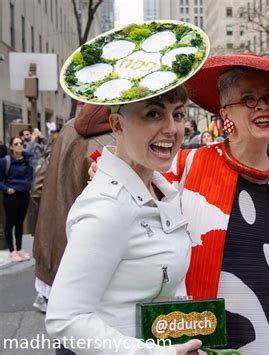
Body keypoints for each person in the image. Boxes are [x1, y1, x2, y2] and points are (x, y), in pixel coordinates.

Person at [171, 53, 269, 352]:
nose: (262, 106)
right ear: (225, 113)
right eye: (249, 98)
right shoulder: (184, 167)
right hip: (204, 342)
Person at [45, 87, 201, 355]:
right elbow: (66, 319)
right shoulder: (107, 207)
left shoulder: (159, 188)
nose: (171, 128)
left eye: (178, 114)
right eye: (153, 114)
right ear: (117, 124)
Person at [32, 104, 115, 313]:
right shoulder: (120, 141)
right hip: (92, 273)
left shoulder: (68, 130)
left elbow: (37, 188)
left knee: (67, 337)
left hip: (51, 261)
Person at [0, 137, 34, 262]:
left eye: (21, 143)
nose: (19, 145)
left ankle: (19, 249)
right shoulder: (6, 161)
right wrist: (6, 189)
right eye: (16, 144)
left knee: (20, 223)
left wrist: (28, 186)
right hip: (11, 196)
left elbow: (30, 175)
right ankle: (12, 250)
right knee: (10, 223)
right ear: (11, 147)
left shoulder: (26, 160)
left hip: (24, 195)